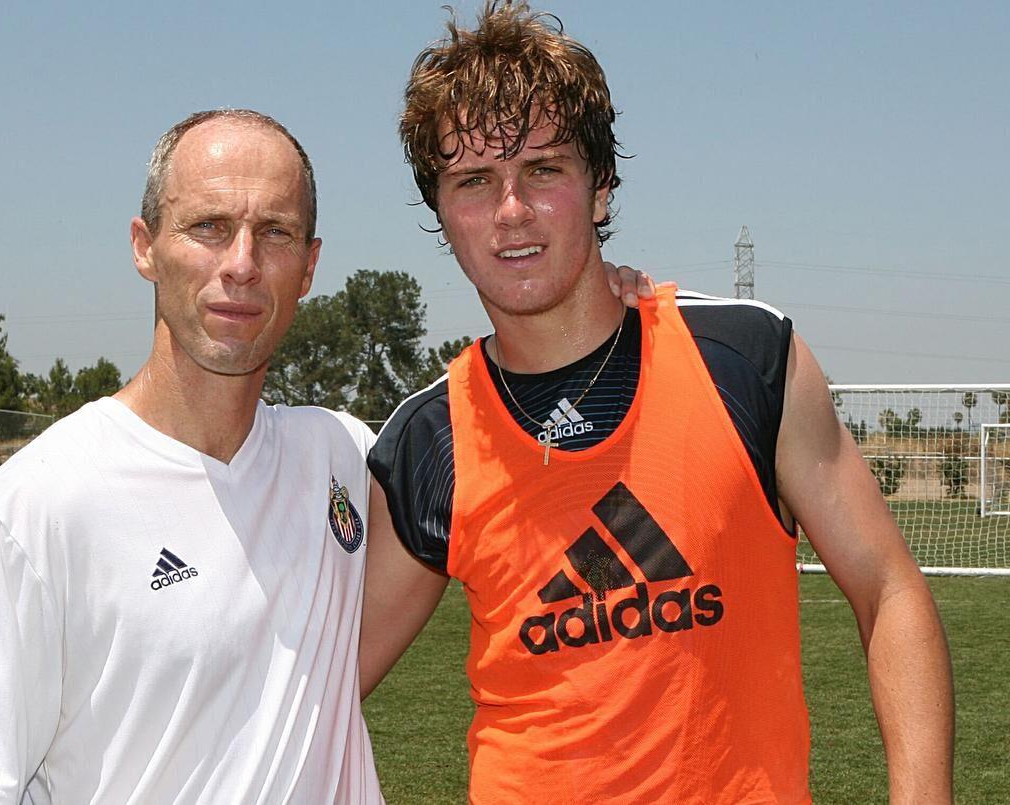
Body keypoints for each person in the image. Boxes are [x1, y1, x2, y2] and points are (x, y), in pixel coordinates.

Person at [360, 3, 955, 803]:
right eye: (473, 181)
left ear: (600, 186)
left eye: (544, 168)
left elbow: (890, 589)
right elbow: (320, 689)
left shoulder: (744, 360)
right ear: (442, 214)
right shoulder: (429, 439)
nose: (511, 211)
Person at [0, 110, 386, 804]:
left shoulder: (342, 454)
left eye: (274, 232)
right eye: (209, 227)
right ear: (145, 246)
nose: (241, 263)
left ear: (309, 266)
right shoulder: (34, 506)